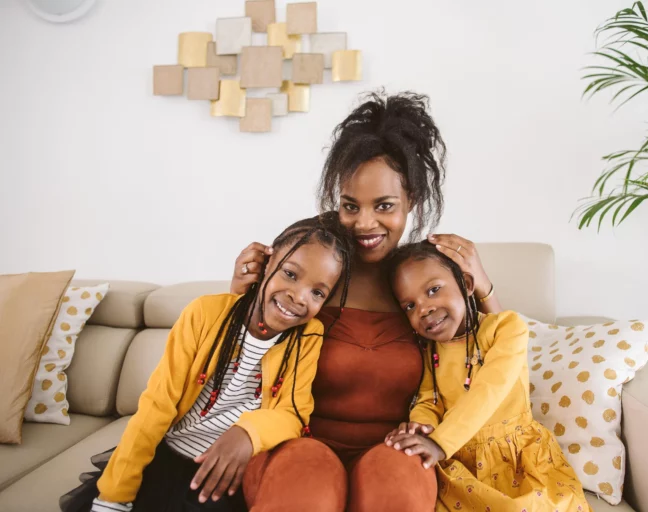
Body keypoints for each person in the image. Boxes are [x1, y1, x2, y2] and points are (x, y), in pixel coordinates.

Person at [230, 91, 501, 512]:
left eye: (385, 206)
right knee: (307, 491)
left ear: (411, 200)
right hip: (296, 441)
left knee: (393, 494)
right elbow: (235, 365)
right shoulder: (311, 273)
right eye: (350, 206)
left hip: (394, 446)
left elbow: (493, 361)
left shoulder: (424, 281)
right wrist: (242, 295)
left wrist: (482, 288)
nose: (365, 223)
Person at [60, 214, 354, 512]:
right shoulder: (203, 314)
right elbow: (156, 407)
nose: (298, 296)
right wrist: (114, 495)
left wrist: (247, 434)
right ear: (266, 265)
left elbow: (293, 412)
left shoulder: (308, 335)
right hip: (165, 460)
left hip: (223, 477)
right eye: (290, 274)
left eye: (317, 292)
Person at [384, 241, 591, 512]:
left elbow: (490, 389)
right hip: (461, 462)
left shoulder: (506, 328)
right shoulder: (430, 350)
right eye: (409, 306)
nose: (423, 309)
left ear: (467, 285)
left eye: (433, 290)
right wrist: (422, 428)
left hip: (518, 460)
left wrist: (438, 442)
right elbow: (428, 399)